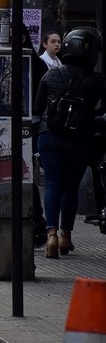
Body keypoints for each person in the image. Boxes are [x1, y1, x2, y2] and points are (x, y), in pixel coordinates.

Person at [32, 27, 105, 259]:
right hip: (79, 139)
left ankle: (51, 234)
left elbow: (37, 108)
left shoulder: (51, 74)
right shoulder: (97, 80)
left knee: (52, 185)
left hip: (49, 136)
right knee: (70, 187)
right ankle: (66, 235)